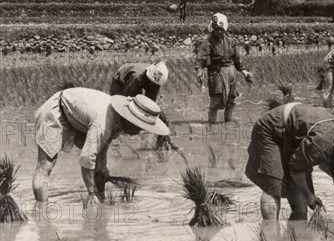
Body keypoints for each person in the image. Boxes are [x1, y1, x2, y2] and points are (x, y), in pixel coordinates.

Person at [245, 102, 334, 220]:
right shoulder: (324, 140)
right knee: (274, 185)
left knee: (300, 201)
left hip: (294, 136)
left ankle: (296, 236)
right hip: (271, 130)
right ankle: (270, 234)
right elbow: (296, 168)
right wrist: (310, 195)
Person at [33, 88, 170, 203]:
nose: (140, 131)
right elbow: (86, 159)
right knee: (45, 166)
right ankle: (42, 216)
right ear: (131, 120)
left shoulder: (118, 120)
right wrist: (91, 194)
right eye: (139, 126)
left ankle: (100, 199)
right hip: (56, 110)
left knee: (100, 169)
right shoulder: (104, 122)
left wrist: (102, 167)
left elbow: (102, 146)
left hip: (78, 118)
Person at [194, 13, 253, 124]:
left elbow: (237, 60)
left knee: (231, 99)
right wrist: (199, 72)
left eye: (221, 29)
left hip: (231, 73)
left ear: (225, 28)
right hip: (216, 73)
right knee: (216, 99)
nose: (219, 32)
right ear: (212, 28)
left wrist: (245, 72)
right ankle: (212, 123)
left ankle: (228, 122)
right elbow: (201, 59)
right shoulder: (208, 42)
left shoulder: (230, 41)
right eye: (216, 29)